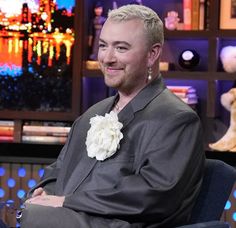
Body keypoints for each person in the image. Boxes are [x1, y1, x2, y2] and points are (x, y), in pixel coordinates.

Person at [19, 4, 205, 228]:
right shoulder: (92, 114)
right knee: (31, 211)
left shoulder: (177, 119)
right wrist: (45, 191)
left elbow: (153, 194)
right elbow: (58, 170)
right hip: (73, 217)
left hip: (121, 225)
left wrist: (67, 201)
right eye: (103, 46)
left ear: (152, 54)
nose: (107, 58)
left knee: (35, 217)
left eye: (121, 48)